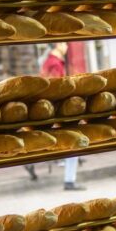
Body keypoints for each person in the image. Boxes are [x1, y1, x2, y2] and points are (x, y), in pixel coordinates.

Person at [41, 42, 81, 190]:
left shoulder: (50, 62)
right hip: (58, 111)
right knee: (73, 143)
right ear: (58, 45)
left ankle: (69, 178)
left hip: (53, 110)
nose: (67, 46)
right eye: (64, 43)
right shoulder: (55, 64)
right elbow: (57, 91)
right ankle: (69, 181)